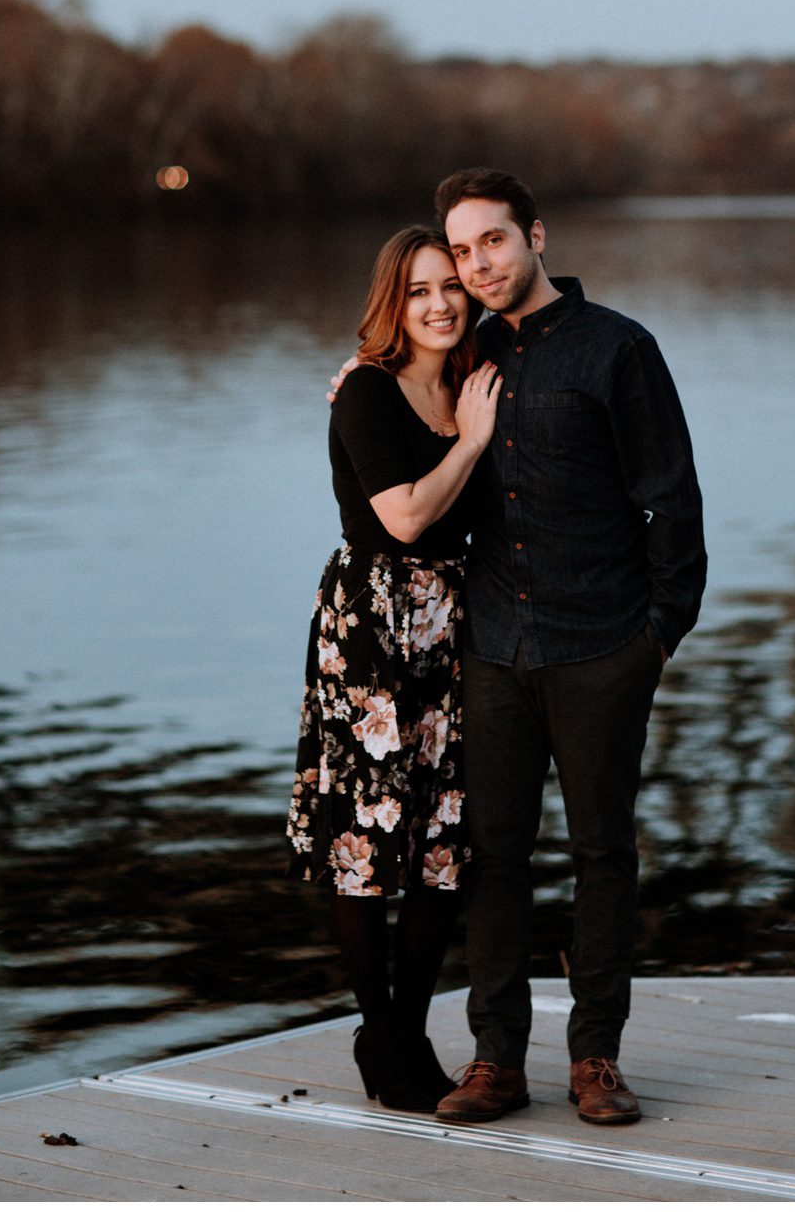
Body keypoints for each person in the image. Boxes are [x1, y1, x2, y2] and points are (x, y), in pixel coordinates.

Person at [331, 168, 706, 1128]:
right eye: (460, 253)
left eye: (491, 242)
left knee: (601, 853)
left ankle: (596, 1060)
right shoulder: (462, 355)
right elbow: (391, 399)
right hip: (490, 650)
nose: (475, 268)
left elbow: (672, 497)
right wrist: (357, 377)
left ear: (534, 236)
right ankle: (496, 1060)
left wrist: (657, 636)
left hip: (600, 645)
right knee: (490, 857)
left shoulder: (618, 350)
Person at [286, 224, 502, 1113]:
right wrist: (474, 442)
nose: (441, 303)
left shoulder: (476, 379)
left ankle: (407, 1033)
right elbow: (406, 518)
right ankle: (382, 1036)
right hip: (374, 626)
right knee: (369, 840)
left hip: (458, 627)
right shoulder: (365, 394)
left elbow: (551, 288)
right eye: (418, 290)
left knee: (445, 842)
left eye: (453, 284)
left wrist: (477, 412)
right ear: (391, 301)